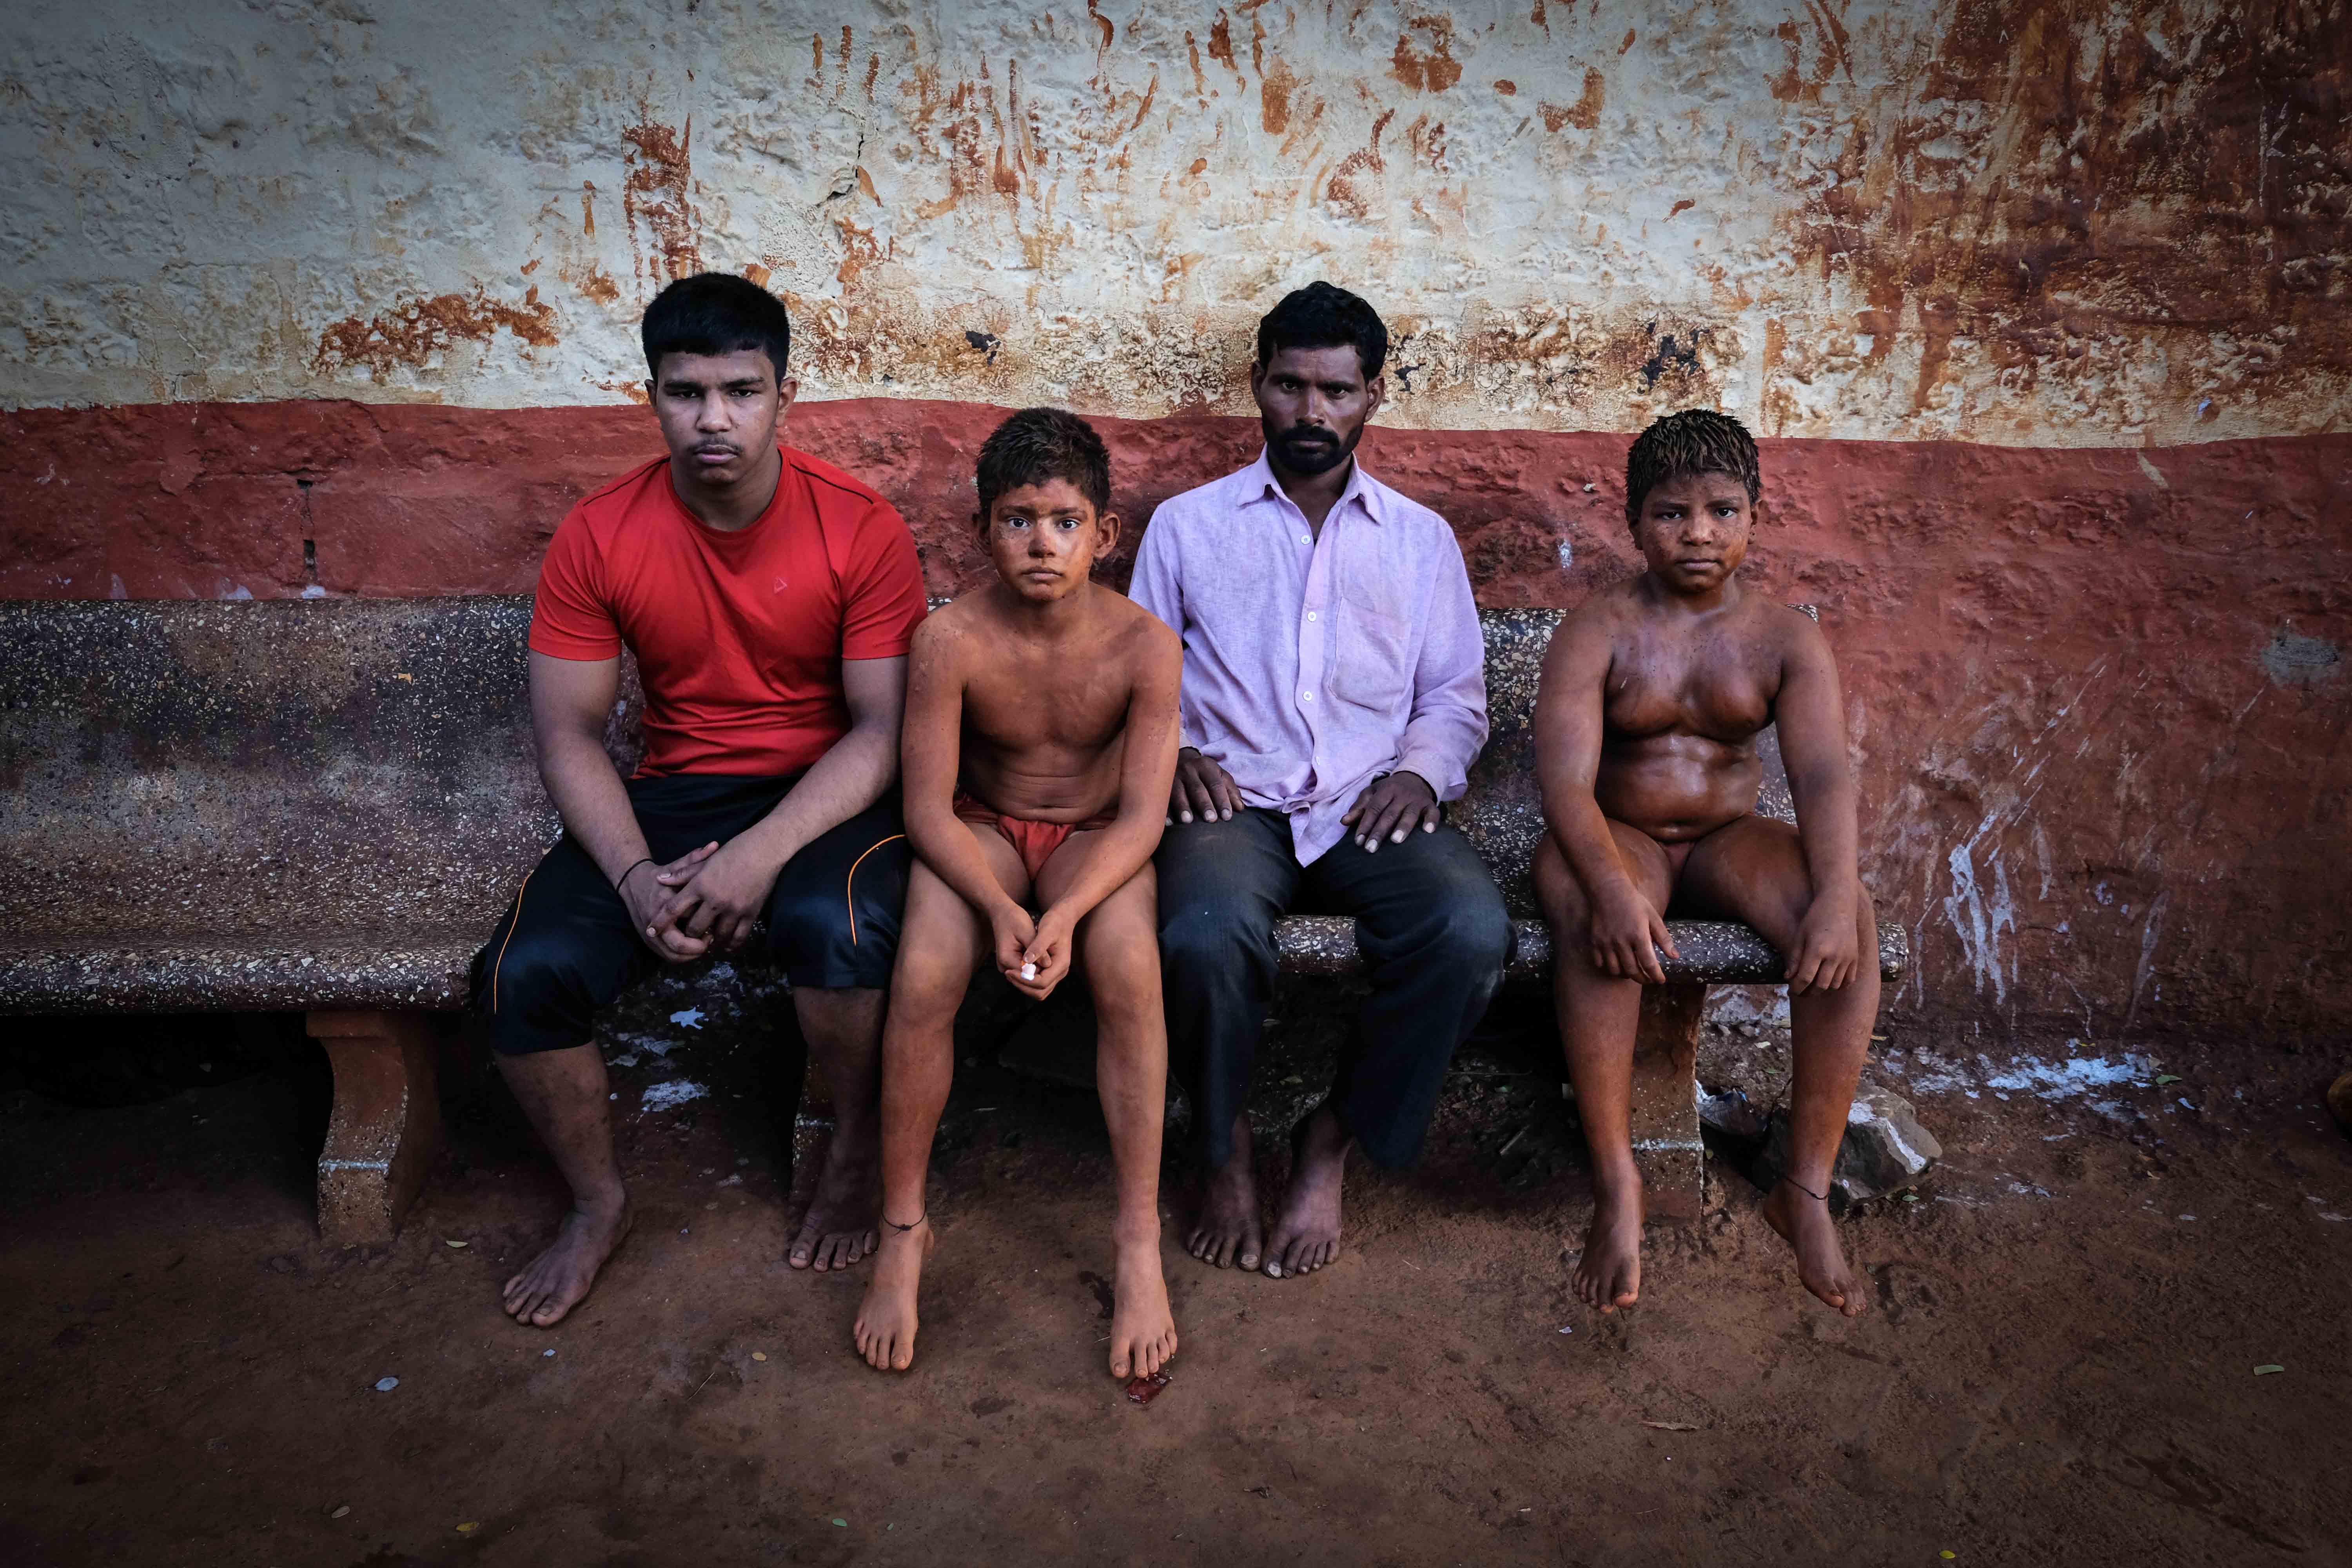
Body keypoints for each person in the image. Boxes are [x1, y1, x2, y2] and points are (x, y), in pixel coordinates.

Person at [469, 272, 928, 1327]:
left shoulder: (859, 528)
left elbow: (880, 734)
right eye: (686, 393)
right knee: (519, 977)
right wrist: (635, 880)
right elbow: (568, 736)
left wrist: (761, 855)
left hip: (827, 799)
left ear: (786, 395)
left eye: (741, 390)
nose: (713, 419)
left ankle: (856, 1146)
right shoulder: (601, 532)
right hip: (674, 797)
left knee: (839, 924)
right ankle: (597, 1204)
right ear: (652, 398)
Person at [1129, 282, 1513, 1281]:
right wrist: (1172, 754)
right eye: (1290, 385)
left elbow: (1455, 695)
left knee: (1469, 933)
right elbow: (1138, 677)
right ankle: (1220, 1147)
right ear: (1257, 385)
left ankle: (1331, 1137)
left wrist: (1423, 772)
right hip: (1233, 800)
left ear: (1372, 397)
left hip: (1368, 801)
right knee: (1203, 935)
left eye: (1335, 390)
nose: (1311, 411)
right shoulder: (1186, 527)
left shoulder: (1420, 540)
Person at [854, 408, 1183, 1377]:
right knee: (923, 971)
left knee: (1128, 968)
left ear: (1106, 534)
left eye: (1066, 520)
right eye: (1017, 519)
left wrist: (1068, 915)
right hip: (983, 835)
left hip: (1096, 844)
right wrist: (1003, 911)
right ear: (982, 530)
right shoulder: (949, 640)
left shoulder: (1145, 645)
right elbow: (926, 810)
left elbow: (1142, 818)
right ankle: (904, 1225)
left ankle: (1136, 1238)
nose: (1043, 541)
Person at [1532, 409, 1880, 1318]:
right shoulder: (1598, 628)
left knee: (1848, 919)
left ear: (1757, 515)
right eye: (1672, 512)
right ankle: (1620, 1185)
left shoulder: (1785, 639)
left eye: (1723, 510)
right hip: (1622, 834)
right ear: (1634, 521)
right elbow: (1565, 784)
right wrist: (1611, 884)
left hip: (1728, 838)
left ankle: (1802, 1187)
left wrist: (1837, 897)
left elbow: (1820, 776)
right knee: (1587, 913)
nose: (1698, 532)